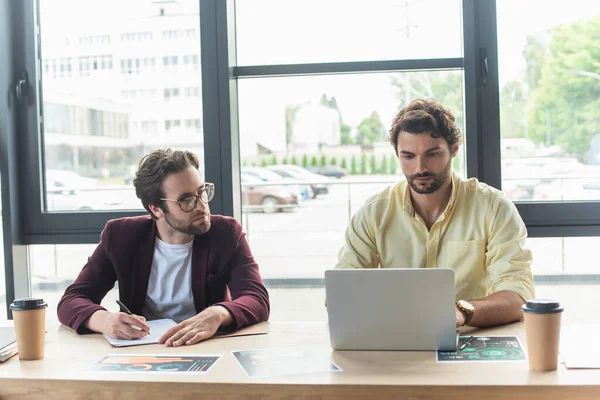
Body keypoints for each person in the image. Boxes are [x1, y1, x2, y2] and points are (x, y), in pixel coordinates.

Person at [335, 98, 534, 328]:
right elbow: (340, 293)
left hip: (471, 337)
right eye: (408, 156)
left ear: (454, 148)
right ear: (397, 154)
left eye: (432, 154)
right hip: (397, 338)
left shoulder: (493, 207)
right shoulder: (374, 214)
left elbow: (518, 296)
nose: (420, 168)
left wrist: (461, 312)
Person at [57, 149, 269, 346]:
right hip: (144, 352)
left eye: (202, 192)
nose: (202, 206)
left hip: (207, 347)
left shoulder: (225, 233)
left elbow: (257, 298)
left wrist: (219, 313)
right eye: (186, 200)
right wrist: (103, 319)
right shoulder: (121, 236)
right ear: (156, 209)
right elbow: (71, 300)